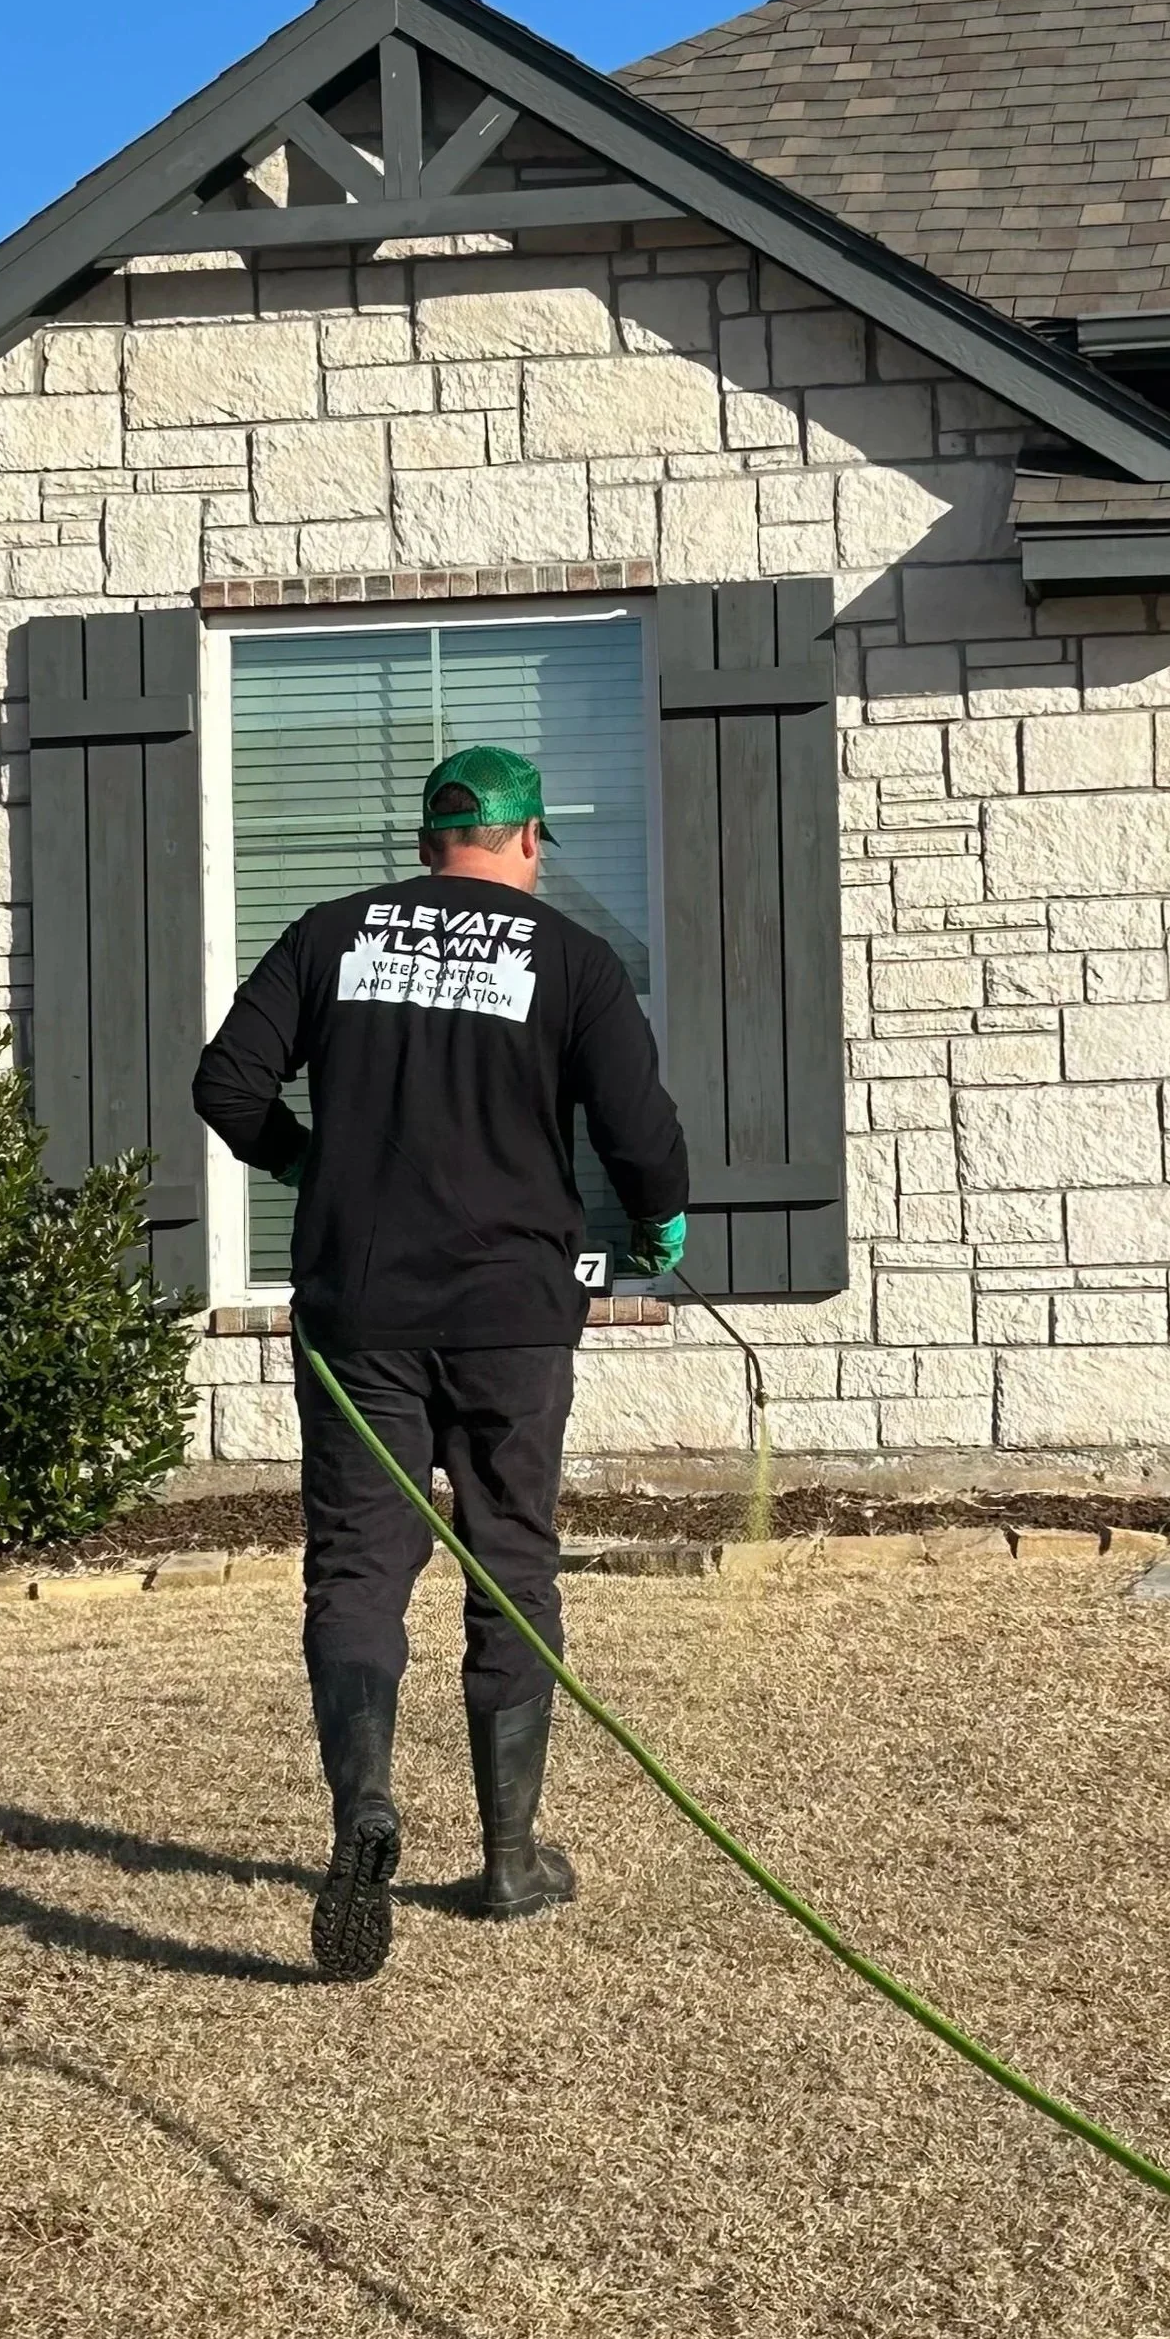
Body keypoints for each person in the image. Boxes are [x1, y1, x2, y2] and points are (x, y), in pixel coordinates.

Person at [193, 743, 689, 1982]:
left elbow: (224, 1082)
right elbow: (639, 1131)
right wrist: (657, 1220)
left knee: (359, 1564)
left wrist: (300, 1160)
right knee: (509, 1555)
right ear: (526, 842)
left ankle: (362, 1813)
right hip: (513, 1314)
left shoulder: (327, 936)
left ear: (428, 842)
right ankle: (510, 1860)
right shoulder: (567, 959)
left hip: (359, 1310)